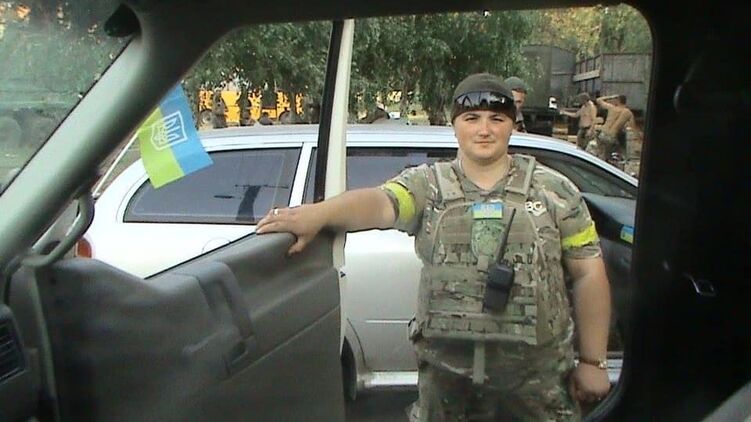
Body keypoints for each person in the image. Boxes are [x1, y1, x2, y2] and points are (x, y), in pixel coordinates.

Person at [257, 73, 611, 421]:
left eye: (497, 118)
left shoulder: (554, 191)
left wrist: (593, 362)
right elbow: (380, 204)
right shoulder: (427, 186)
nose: (484, 130)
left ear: (512, 125)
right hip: (449, 386)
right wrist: (318, 214)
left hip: (539, 386)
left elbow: (588, 272)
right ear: (454, 124)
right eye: (471, 118)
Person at [594, 94, 637, 165]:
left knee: (601, 155)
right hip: (611, 137)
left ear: (618, 101)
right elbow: (633, 127)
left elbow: (598, 100)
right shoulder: (628, 113)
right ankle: (622, 159)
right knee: (616, 149)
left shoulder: (612, 108)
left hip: (602, 134)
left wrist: (611, 97)